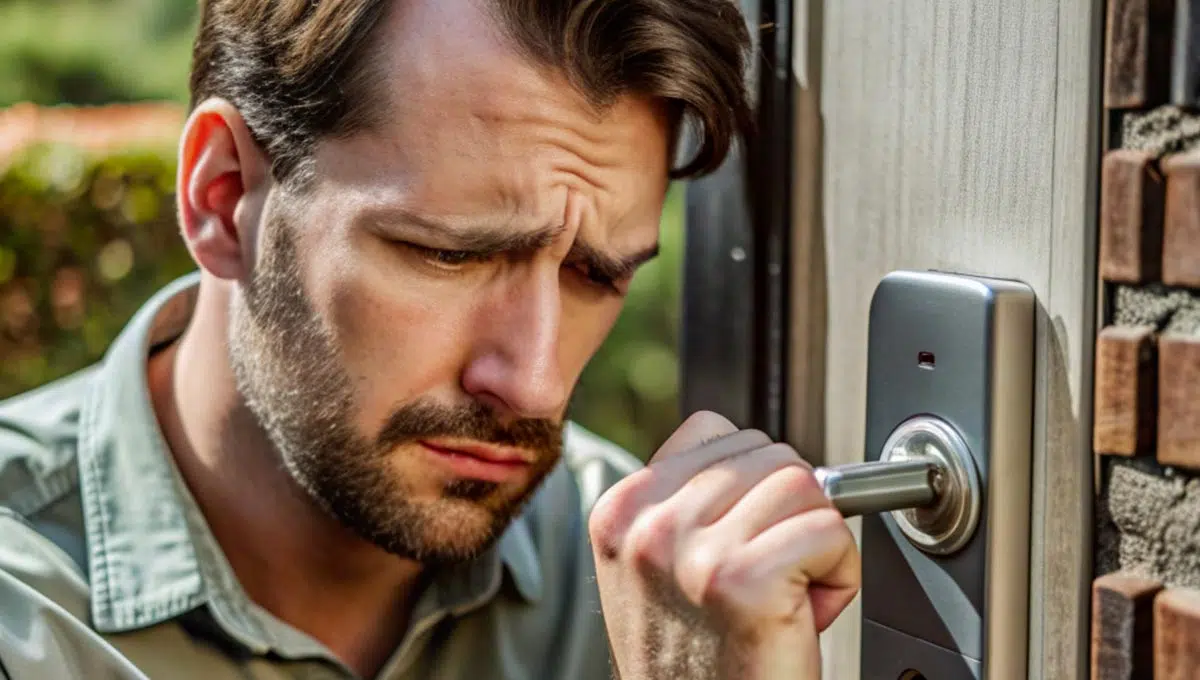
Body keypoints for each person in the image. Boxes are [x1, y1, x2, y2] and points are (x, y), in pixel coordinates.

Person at [0, 0, 860, 678]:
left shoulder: (666, 596)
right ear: (225, 197)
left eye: (596, 275)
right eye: (450, 253)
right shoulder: (22, 612)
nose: (534, 386)